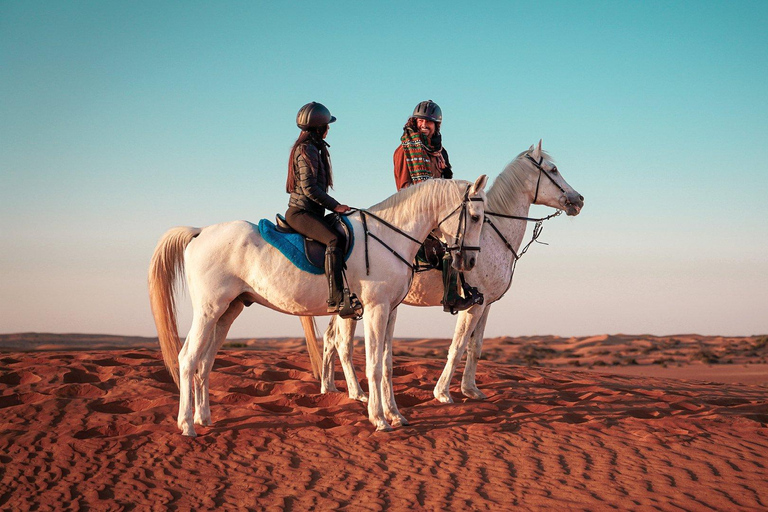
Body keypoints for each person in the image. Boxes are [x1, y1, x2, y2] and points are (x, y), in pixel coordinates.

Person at [393, 100, 482, 313]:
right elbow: (404, 188)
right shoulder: (404, 150)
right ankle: (451, 297)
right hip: (416, 211)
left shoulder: (441, 152)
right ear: (414, 122)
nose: (425, 125)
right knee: (451, 244)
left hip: (441, 213)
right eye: (421, 121)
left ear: (436, 125)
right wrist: (431, 203)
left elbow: (447, 185)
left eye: (429, 122)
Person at [285, 102, 351, 314]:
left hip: (313, 212)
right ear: (319, 127)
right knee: (334, 240)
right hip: (301, 213)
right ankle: (335, 299)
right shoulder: (306, 150)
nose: (328, 129)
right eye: (327, 125)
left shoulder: (314, 148)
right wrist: (335, 206)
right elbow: (309, 189)